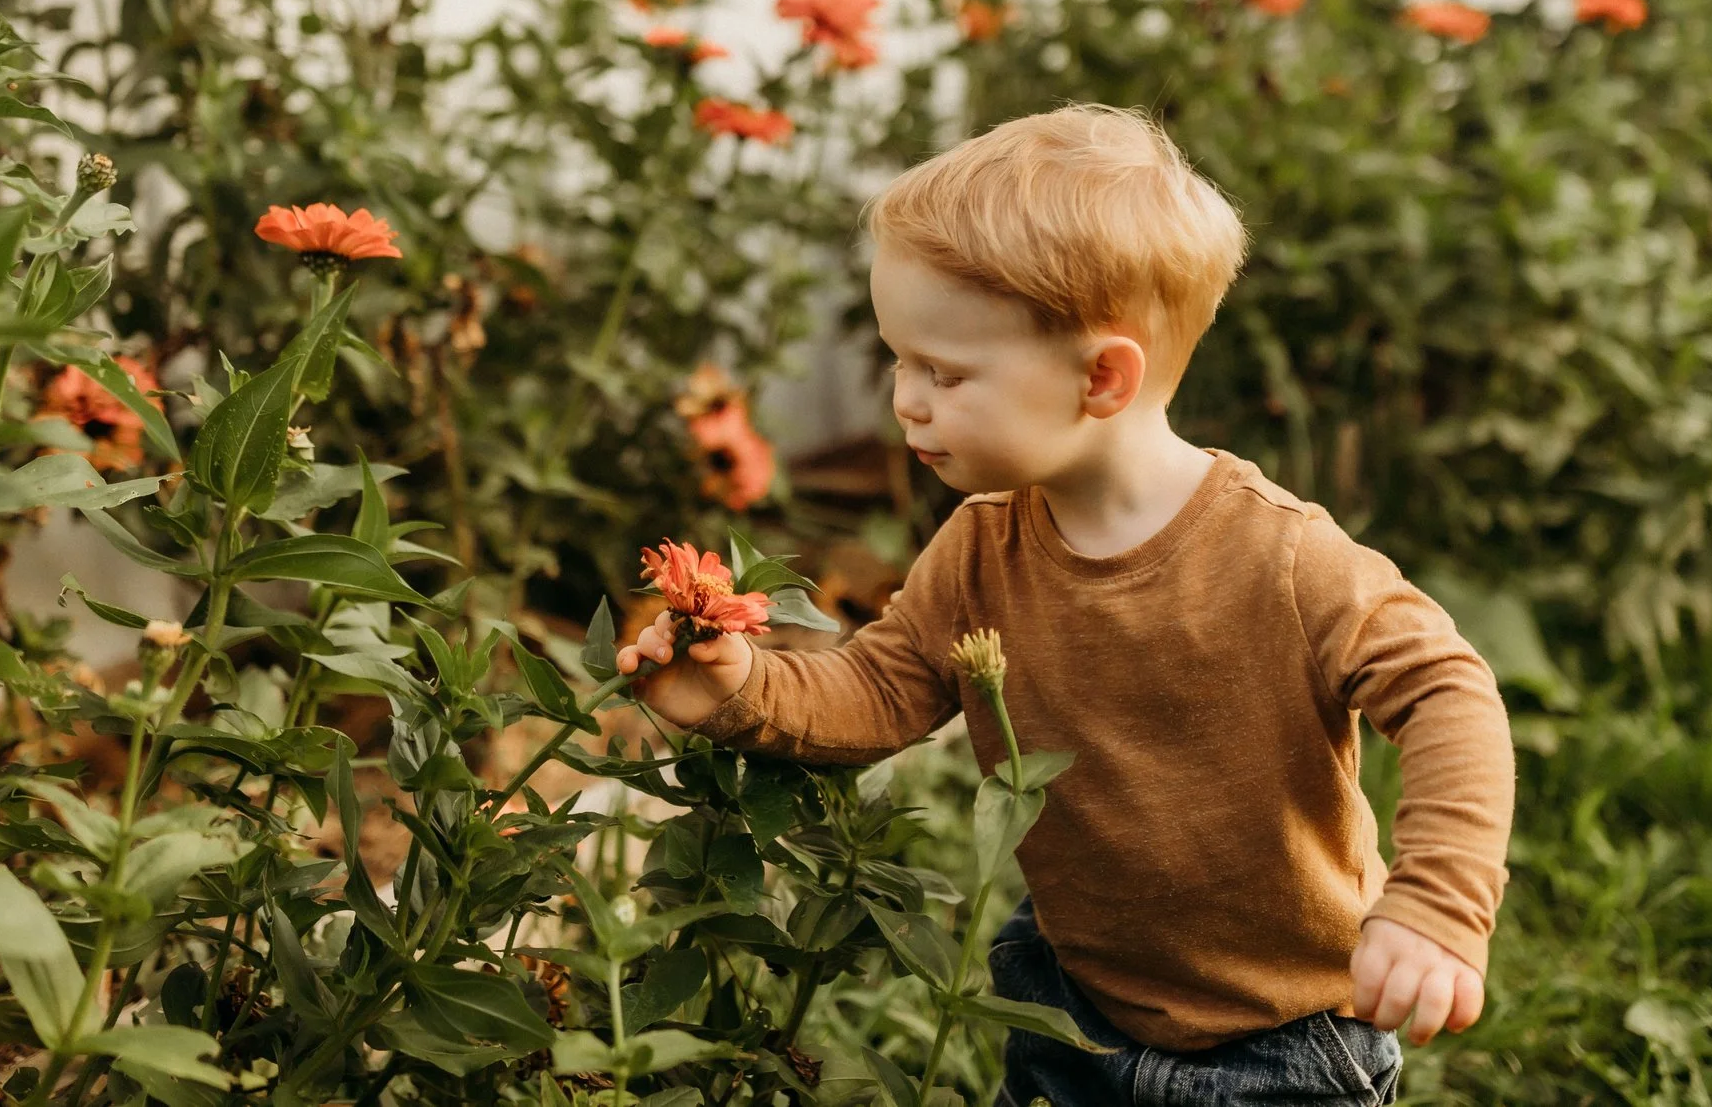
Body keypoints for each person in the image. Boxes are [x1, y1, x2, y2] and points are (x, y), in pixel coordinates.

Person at [618, 105, 1516, 1106]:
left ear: (1102, 376)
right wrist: (744, 685)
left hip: (1282, 1038)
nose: (905, 400)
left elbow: (1447, 689)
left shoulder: (1283, 556)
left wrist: (1435, 903)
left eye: (944, 371)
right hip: (1069, 1005)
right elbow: (881, 686)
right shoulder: (981, 546)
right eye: (899, 361)